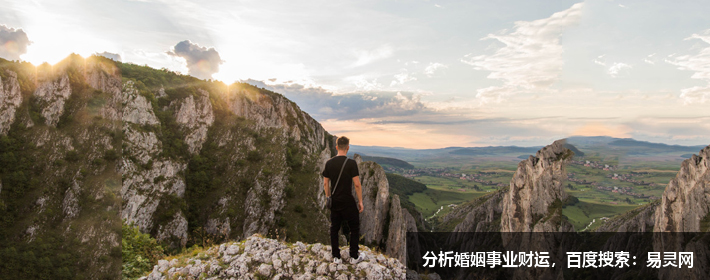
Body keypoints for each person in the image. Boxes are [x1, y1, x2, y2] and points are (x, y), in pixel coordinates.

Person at [322, 136, 365, 264]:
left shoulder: (329, 163)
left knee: (334, 228)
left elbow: (325, 183)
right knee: (354, 228)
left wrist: (329, 197)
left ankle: (336, 257)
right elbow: (357, 184)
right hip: (348, 201)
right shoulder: (351, 164)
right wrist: (360, 201)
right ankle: (354, 256)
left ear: (336, 147)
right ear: (348, 148)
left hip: (335, 201)